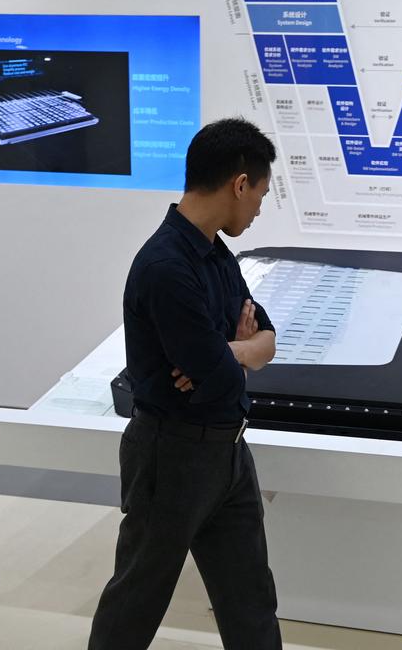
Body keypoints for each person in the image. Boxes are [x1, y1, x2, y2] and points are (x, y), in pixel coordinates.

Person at [88, 117, 281, 649]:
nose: (260, 209)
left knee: (251, 598)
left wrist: (231, 351)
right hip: (170, 457)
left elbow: (265, 336)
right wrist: (232, 358)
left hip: (229, 455)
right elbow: (218, 379)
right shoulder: (165, 266)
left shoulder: (216, 253)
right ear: (240, 184)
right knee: (138, 599)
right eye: (261, 194)